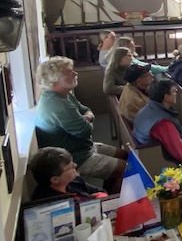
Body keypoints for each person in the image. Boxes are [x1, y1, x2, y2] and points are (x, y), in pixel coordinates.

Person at [35, 56, 128, 194]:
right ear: (55, 80)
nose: (75, 73)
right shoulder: (57, 105)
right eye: (69, 72)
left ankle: (107, 189)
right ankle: (111, 201)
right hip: (78, 157)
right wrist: (87, 118)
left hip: (85, 146)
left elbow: (85, 110)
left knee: (126, 154)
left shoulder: (64, 94)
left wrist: (86, 117)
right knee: (127, 168)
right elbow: (85, 130)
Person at [134, 79, 182, 164]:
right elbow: (178, 150)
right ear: (166, 97)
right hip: (159, 158)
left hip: (150, 150)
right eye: (174, 91)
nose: (176, 93)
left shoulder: (147, 109)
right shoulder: (163, 122)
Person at [29, 146, 107, 201]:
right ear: (55, 179)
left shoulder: (74, 181)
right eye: (71, 167)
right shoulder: (46, 202)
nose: (75, 165)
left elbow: (102, 192)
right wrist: (93, 199)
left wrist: (98, 197)